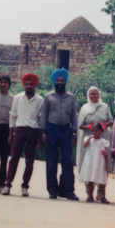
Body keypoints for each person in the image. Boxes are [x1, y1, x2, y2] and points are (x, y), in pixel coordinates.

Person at [42, 68, 80, 200]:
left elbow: (74, 116)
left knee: (67, 161)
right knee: (51, 161)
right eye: (57, 80)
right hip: (51, 130)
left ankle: (68, 190)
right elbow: (43, 116)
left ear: (65, 81)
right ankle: (52, 190)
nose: (59, 82)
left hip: (66, 131)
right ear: (54, 82)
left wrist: (74, 132)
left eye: (62, 80)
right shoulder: (48, 97)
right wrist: (43, 133)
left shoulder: (71, 97)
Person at [6, 73, 45, 196]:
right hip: (20, 129)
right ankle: (7, 185)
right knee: (14, 158)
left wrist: (39, 138)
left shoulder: (39, 100)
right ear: (24, 85)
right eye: (27, 84)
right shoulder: (18, 98)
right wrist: (10, 133)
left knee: (30, 160)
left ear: (34, 86)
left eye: (31, 84)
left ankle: (25, 186)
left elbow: (40, 120)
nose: (29, 86)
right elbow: (13, 115)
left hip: (32, 131)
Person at [77, 117, 111, 202]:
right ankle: (90, 196)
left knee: (102, 180)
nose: (95, 132)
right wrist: (89, 138)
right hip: (90, 162)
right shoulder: (89, 140)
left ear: (101, 131)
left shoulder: (103, 141)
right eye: (93, 131)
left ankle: (103, 196)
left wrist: (107, 163)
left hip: (99, 162)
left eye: (97, 131)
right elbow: (85, 145)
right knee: (90, 179)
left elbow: (105, 154)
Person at [76, 85, 112, 164]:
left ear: (99, 95)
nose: (94, 95)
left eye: (95, 93)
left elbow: (111, 121)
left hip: (103, 136)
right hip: (89, 138)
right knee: (88, 161)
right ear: (88, 95)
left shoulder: (104, 106)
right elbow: (80, 125)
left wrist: (105, 124)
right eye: (91, 93)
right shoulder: (85, 108)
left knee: (101, 161)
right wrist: (88, 127)